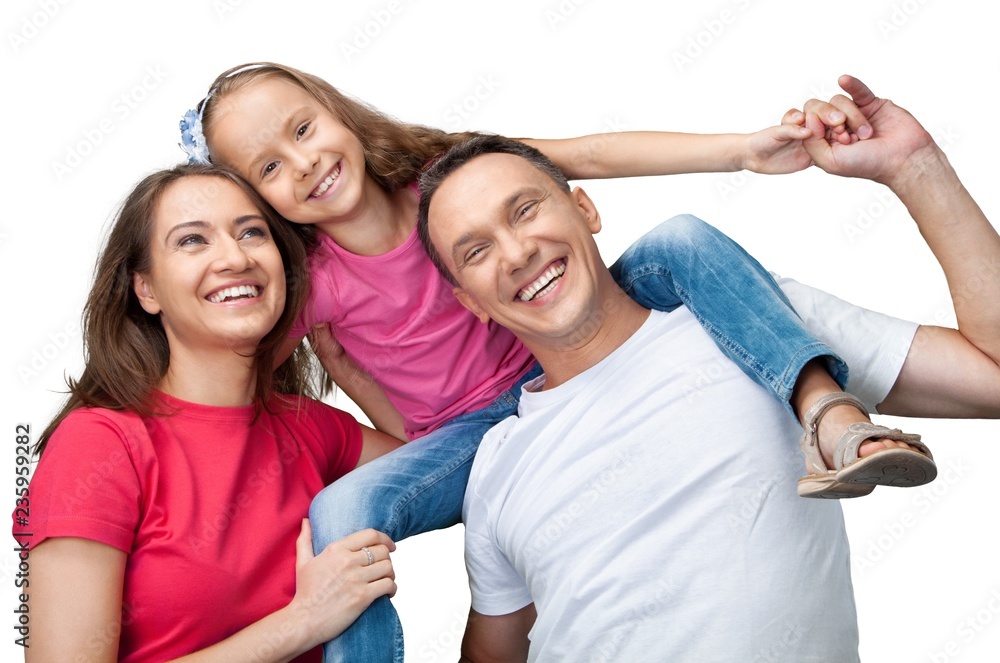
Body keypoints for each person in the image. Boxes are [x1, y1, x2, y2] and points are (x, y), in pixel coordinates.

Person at [188, 62, 932, 660]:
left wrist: (740, 148)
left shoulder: (442, 176)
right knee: (340, 510)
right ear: (262, 205)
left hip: (567, 344)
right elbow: (227, 362)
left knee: (677, 240)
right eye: (272, 167)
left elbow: (590, 155)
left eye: (304, 128)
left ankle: (827, 415)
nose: (306, 162)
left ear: (338, 110)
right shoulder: (313, 280)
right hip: (469, 441)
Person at [415, 76, 1000, 661]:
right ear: (469, 301)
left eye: (524, 211)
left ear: (584, 207)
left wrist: (915, 167)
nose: (517, 254)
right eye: (476, 251)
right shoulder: (494, 464)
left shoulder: (758, 322)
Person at [13, 165, 403, 662]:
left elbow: (437, 469)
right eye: (193, 240)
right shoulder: (99, 442)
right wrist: (304, 620)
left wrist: (354, 376)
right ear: (146, 290)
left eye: (252, 232)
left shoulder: (307, 425)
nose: (236, 257)